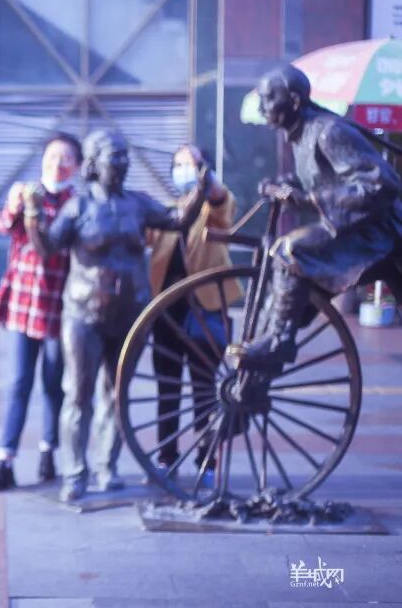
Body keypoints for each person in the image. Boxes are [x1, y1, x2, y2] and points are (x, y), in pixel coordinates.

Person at [26, 129, 210, 502]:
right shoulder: (78, 207)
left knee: (116, 394)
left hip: (130, 315)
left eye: (126, 155)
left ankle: (107, 467)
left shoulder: (138, 204)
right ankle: (75, 474)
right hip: (84, 315)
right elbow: (46, 247)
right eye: (115, 156)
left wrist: (200, 191)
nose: (123, 163)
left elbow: (177, 220)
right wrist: (32, 214)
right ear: (94, 163)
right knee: (78, 394)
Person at [228, 64, 402, 371]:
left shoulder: (329, 132)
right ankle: (269, 342)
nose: (262, 107)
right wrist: (287, 186)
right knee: (283, 262)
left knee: (291, 249)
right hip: (355, 231)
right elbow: (327, 180)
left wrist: (310, 199)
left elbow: (381, 184)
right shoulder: (301, 136)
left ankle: (280, 340)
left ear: (295, 101)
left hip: (379, 234)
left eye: (268, 99)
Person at [0, 134, 80, 492]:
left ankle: (48, 452)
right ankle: (4, 460)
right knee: (19, 383)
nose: (57, 164)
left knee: (53, 385)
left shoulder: (77, 204)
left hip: (59, 306)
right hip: (24, 304)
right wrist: (13, 203)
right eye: (52, 156)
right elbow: (4, 226)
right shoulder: (27, 194)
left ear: (77, 166)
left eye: (65, 158)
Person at [147, 145, 243, 485]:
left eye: (190, 164)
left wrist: (207, 183)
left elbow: (220, 200)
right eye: (178, 164)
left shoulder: (214, 207)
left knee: (204, 389)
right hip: (167, 312)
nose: (183, 170)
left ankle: (207, 460)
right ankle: (166, 457)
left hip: (206, 308)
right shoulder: (165, 213)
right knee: (167, 388)